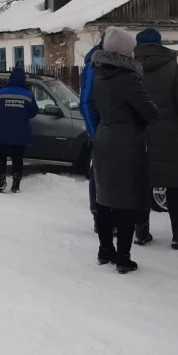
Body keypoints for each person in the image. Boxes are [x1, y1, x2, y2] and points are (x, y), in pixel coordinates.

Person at [91, 27, 159, 274]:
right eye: (131, 48)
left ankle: (105, 250)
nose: (133, 52)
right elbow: (150, 112)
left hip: (104, 137)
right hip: (127, 142)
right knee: (127, 201)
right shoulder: (128, 77)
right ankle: (123, 257)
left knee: (106, 197)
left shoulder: (99, 75)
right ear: (123, 51)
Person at [133, 28, 178, 250]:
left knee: (142, 184)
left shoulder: (130, 68)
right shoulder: (173, 68)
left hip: (139, 136)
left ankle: (141, 231)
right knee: (177, 187)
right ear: (160, 43)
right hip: (170, 135)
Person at [0, 67, 39, 193]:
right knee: (17, 158)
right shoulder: (28, 94)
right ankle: (16, 184)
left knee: (0, 158)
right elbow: (33, 112)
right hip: (20, 132)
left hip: (1, 131)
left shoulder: (1, 93)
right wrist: (21, 115)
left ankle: (1, 183)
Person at [79, 37, 103, 230]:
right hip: (101, 131)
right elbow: (86, 102)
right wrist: (94, 133)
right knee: (99, 173)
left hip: (117, 130)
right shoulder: (94, 66)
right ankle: (99, 217)